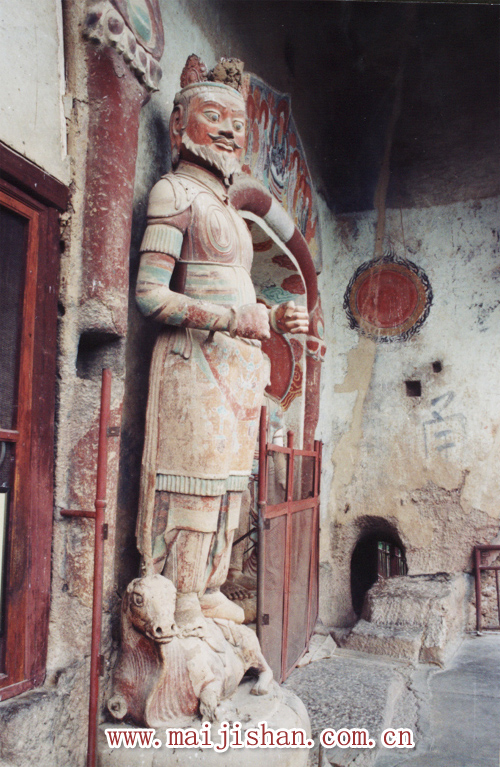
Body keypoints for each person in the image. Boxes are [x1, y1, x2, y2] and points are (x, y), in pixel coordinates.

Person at [135, 56, 308, 630]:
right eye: (215, 116)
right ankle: (181, 596)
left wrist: (274, 315)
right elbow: (150, 295)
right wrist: (234, 318)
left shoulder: (231, 212)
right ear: (179, 123)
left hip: (235, 367)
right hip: (193, 363)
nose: (231, 131)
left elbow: (237, 295)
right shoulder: (173, 193)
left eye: (238, 123)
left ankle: (208, 588)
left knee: (233, 487)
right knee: (196, 485)